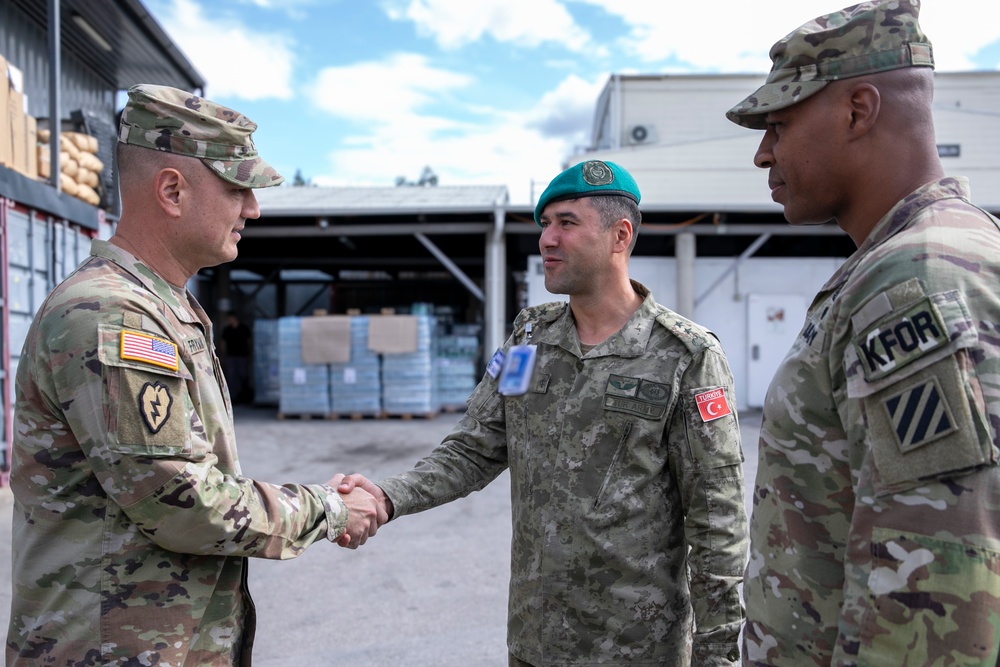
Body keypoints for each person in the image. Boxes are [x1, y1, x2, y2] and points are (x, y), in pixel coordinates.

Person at [5, 84, 383, 666]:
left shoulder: (162, 308)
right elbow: (183, 502)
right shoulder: (113, 315)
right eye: (237, 188)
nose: (252, 209)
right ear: (173, 190)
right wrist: (328, 509)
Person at [339, 160, 748, 666]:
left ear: (620, 236)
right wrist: (387, 495)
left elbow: (717, 521)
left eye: (566, 223)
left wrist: (719, 656)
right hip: (535, 641)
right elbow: (474, 448)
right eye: (544, 224)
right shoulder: (529, 340)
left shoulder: (686, 356)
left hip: (635, 650)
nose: (546, 239)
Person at [726, 1, 1000, 664]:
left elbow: (935, 591)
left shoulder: (916, 278)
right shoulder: (928, 254)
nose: (763, 153)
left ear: (857, 109)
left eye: (780, 124)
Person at [221, 310, 253, 404]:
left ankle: (245, 396)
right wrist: (223, 355)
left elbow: (249, 342)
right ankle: (234, 398)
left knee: (243, 375)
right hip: (231, 356)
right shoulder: (227, 330)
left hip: (242, 356)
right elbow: (223, 343)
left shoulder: (244, 328)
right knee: (232, 377)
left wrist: (249, 354)